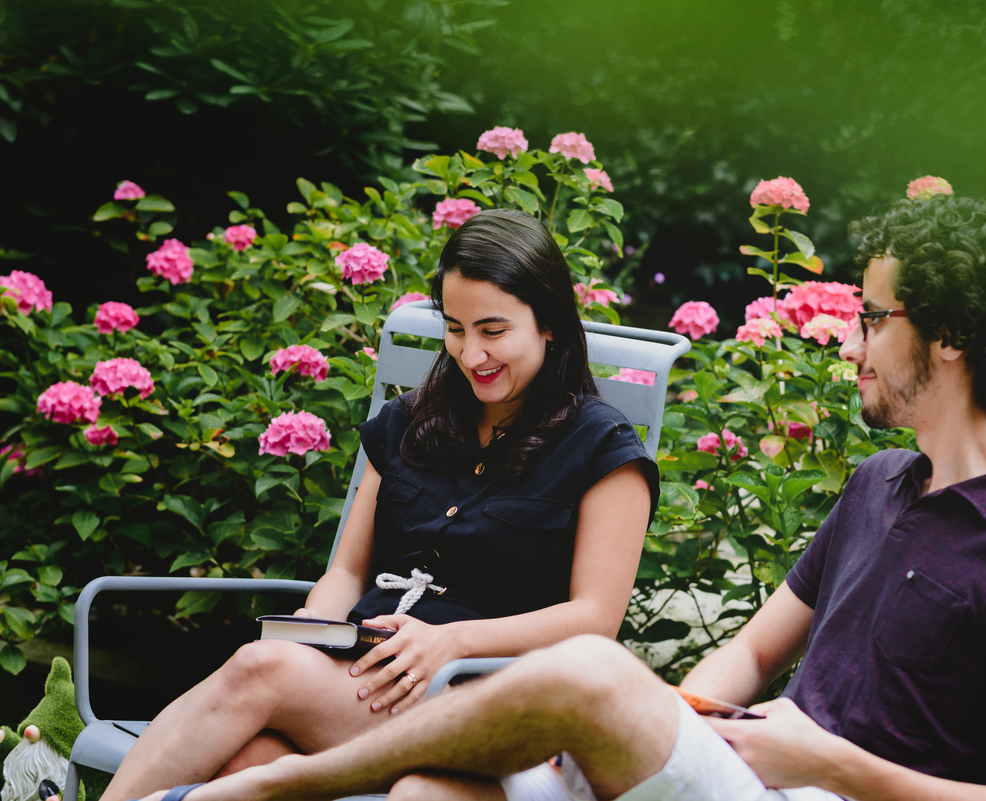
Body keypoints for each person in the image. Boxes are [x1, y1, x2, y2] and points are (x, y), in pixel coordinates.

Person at [131, 195, 986, 801]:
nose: (855, 342)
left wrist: (827, 765)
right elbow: (751, 652)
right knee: (434, 786)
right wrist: (677, 716)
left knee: (591, 671)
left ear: (946, 338)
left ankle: (271, 790)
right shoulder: (880, 484)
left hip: (815, 791)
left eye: (874, 317)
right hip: (734, 769)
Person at [98, 208, 658, 801]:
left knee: (259, 672)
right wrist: (314, 630)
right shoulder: (411, 422)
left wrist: (455, 640)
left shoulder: (602, 449)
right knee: (250, 758)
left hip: (488, 696)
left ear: (550, 324)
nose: (471, 355)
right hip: (368, 677)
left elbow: (596, 618)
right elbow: (346, 570)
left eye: (493, 331)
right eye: (455, 328)